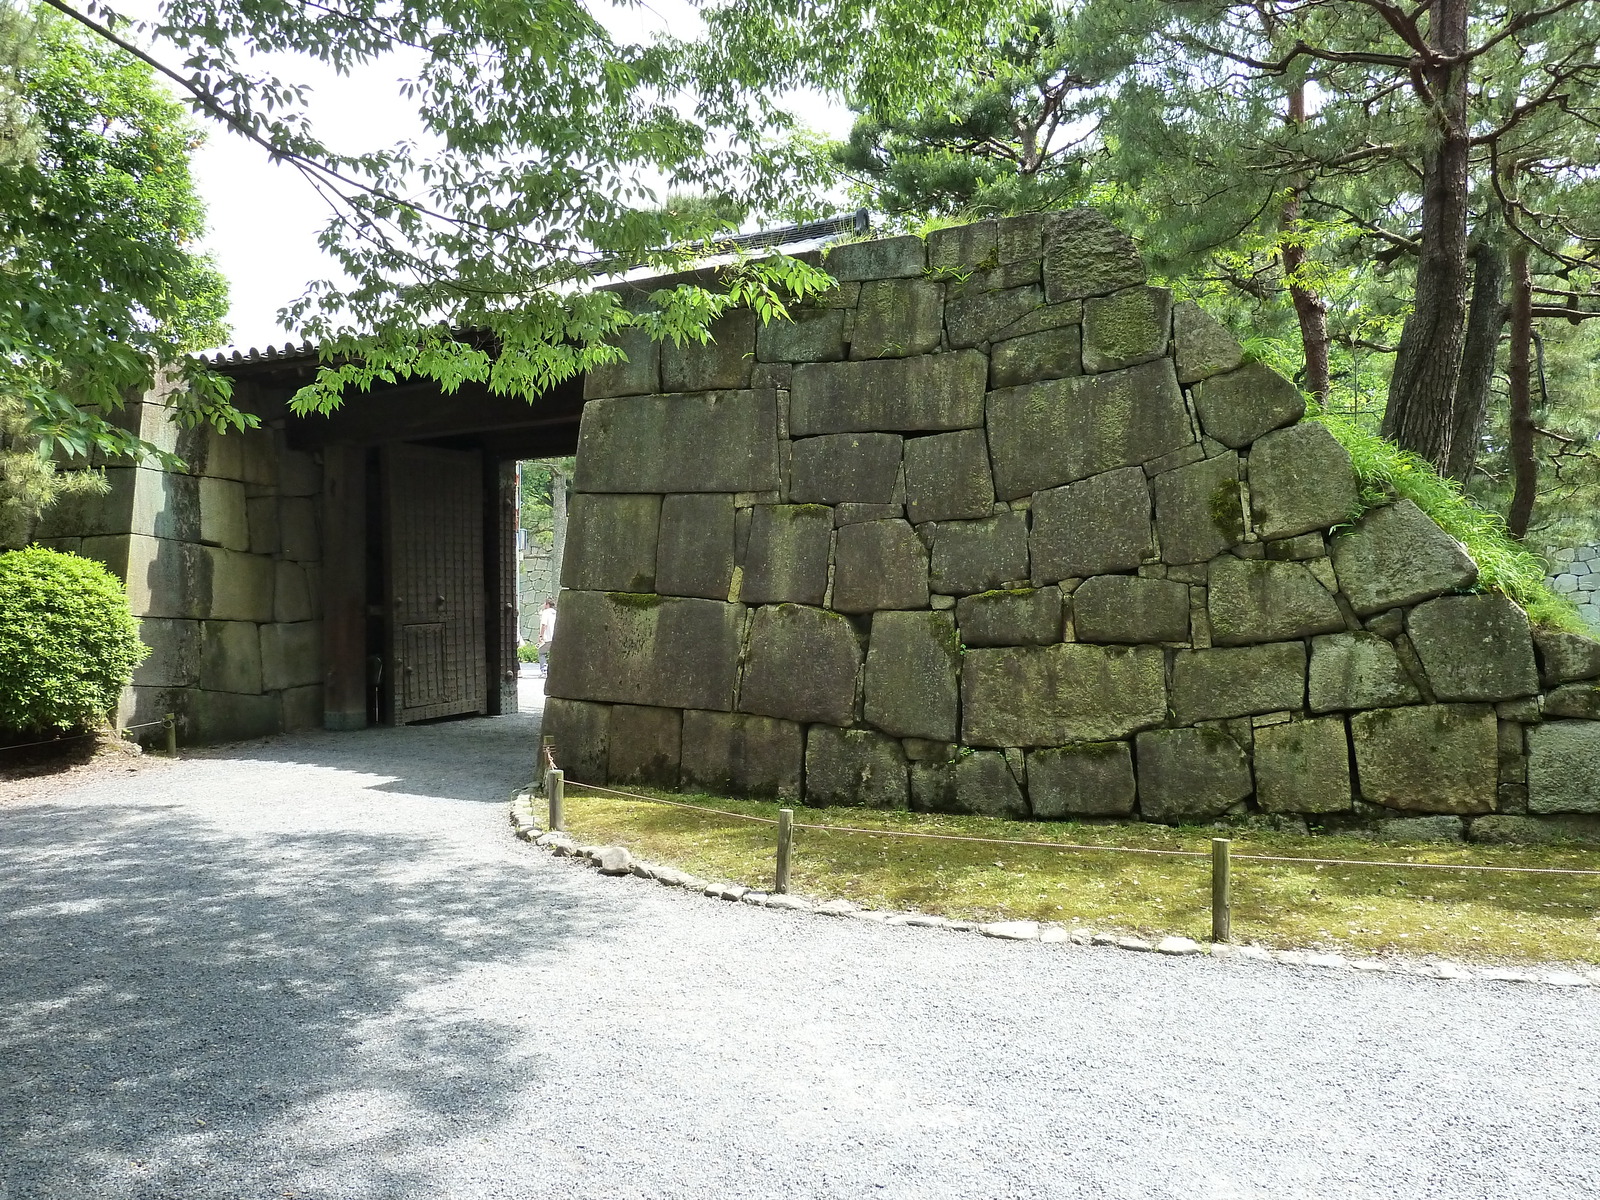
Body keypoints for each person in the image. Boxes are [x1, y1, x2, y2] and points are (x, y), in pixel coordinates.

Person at [536, 598, 557, 677]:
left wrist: (541, 635)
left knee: (541, 653)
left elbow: (544, 624)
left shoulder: (545, 612)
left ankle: (544, 671)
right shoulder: (556, 613)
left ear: (547, 604)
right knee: (553, 654)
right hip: (555, 637)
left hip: (547, 637)